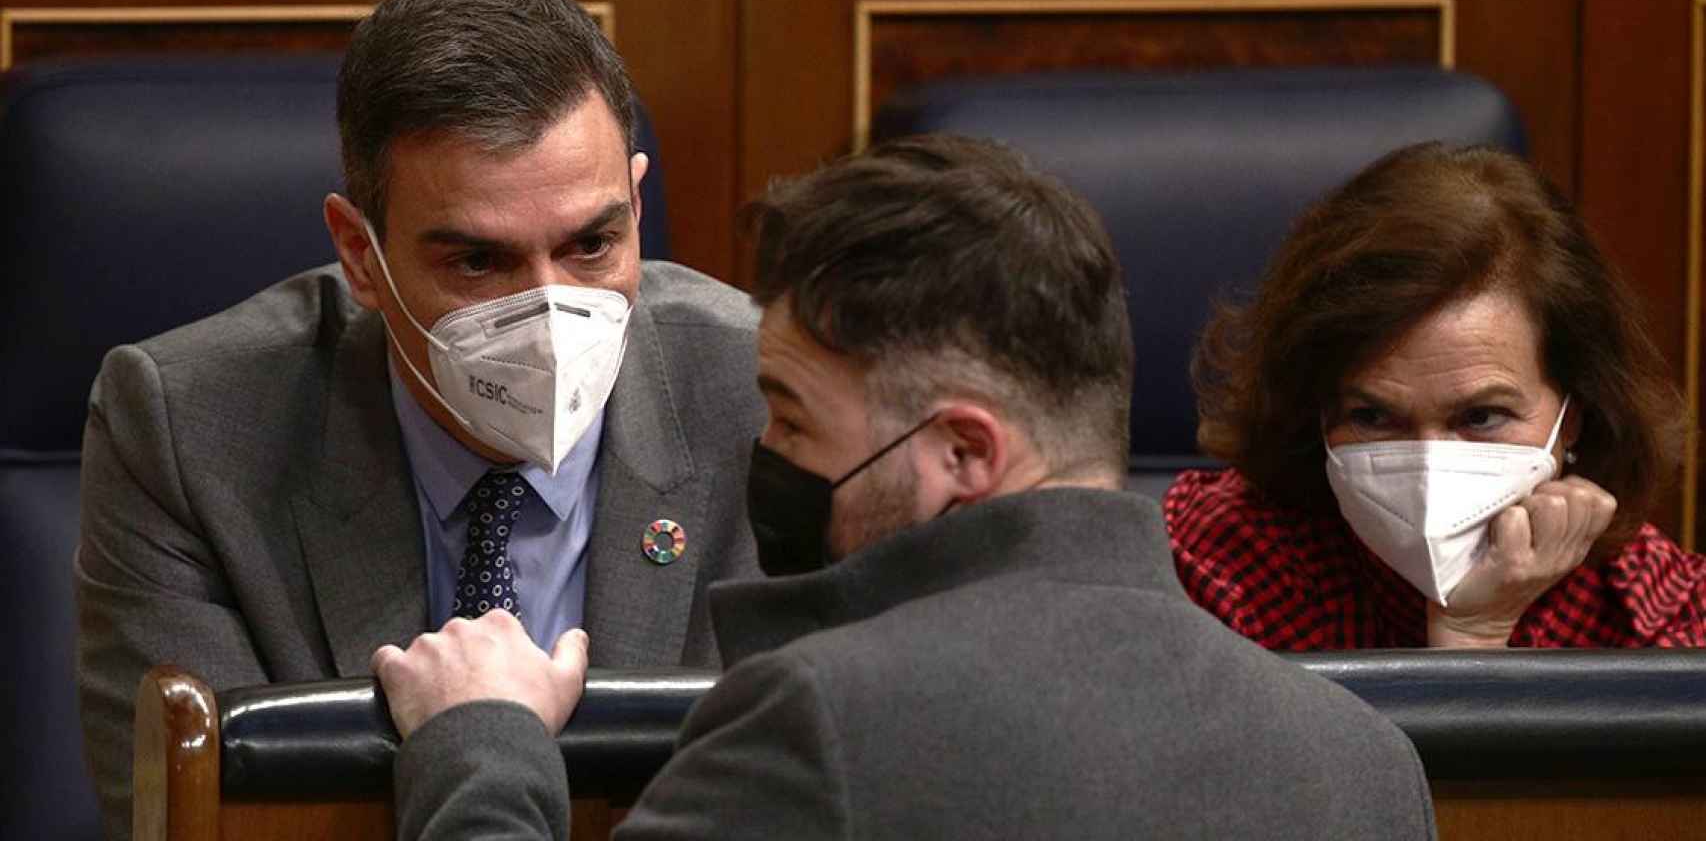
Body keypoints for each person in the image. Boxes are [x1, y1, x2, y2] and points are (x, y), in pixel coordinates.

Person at [372, 135, 1437, 840]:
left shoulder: (821, 721)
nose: (768, 453)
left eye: (790, 416)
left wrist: (481, 745)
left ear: (962, 457)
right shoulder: (1363, 763)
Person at [75, 0, 765, 838]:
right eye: (478, 262)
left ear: (635, 201)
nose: (550, 312)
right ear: (361, 255)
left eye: (592, 243)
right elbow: (215, 819)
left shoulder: (764, 396)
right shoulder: (185, 429)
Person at [1168, 141, 1704, 649]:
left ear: (1575, 417)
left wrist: (1476, 631)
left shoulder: (1651, 617)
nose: (1429, 468)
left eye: (1481, 416)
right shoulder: (1213, 570)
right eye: (1373, 416)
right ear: (1317, 411)